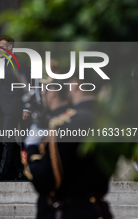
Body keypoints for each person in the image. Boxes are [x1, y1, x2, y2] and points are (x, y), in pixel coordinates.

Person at [22, 77, 113, 219]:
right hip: (99, 209)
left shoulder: (66, 124)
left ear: (76, 84)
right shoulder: (107, 120)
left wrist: (31, 148)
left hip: (72, 211)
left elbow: (44, 182)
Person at [0, 35, 31, 181]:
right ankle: (21, 171)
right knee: (9, 140)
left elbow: (27, 86)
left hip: (15, 107)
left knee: (7, 140)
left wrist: (27, 108)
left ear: (10, 47)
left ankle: (1, 172)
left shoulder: (21, 62)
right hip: (0, 108)